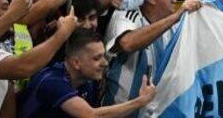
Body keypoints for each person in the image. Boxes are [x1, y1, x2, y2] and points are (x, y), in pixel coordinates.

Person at [17, 28, 156, 116]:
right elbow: (91, 115)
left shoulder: (89, 82)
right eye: (97, 58)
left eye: (103, 56)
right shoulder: (52, 81)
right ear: (76, 62)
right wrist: (140, 101)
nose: (105, 63)